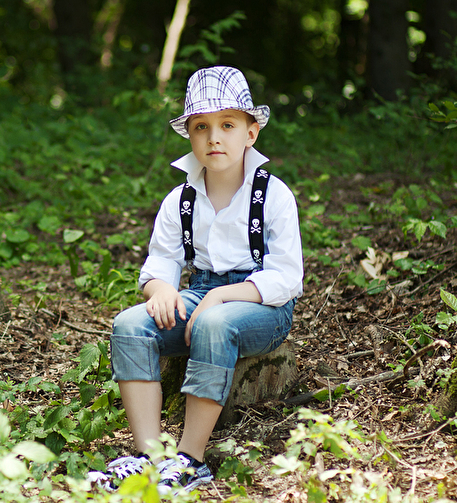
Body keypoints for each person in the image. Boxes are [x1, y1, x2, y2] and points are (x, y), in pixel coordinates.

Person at [88, 66, 303, 495]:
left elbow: (286, 277)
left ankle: (190, 458)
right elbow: (160, 261)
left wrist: (221, 297)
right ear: (189, 134)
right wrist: (162, 289)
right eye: (201, 126)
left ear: (251, 133)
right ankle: (150, 456)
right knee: (130, 325)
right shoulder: (180, 199)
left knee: (214, 322)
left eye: (228, 125)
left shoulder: (273, 195)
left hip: (262, 304)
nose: (214, 137)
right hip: (200, 291)